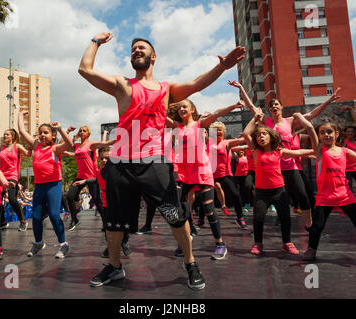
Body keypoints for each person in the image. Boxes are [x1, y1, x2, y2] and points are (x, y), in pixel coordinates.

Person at [78, 31, 245, 289]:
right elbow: (85, 70)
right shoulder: (122, 85)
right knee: (114, 222)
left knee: (175, 216)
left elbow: (198, 83)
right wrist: (95, 42)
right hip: (120, 164)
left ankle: (190, 263)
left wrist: (222, 67)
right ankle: (114, 266)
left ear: (153, 56)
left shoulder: (167, 89)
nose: (136, 50)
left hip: (153, 164)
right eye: (133, 49)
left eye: (142, 47)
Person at [229, 80, 341, 230]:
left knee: (303, 195)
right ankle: (281, 220)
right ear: (269, 110)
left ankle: (309, 225)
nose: (274, 106)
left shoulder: (291, 122)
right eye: (271, 105)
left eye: (276, 104)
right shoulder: (266, 121)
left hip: (291, 165)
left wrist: (328, 100)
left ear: (282, 107)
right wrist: (242, 87)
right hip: (274, 167)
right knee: (281, 198)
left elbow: (312, 114)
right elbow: (251, 107)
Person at [167, 99, 244, 259]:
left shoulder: (199, 124)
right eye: (179, 107)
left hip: (202, 171)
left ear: (192, 109)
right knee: (180, 210)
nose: (181, 109)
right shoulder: (177, 127)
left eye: (185, 106)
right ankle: (185, 241)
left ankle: (220, 243)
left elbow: (217, 113)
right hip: (184, 173)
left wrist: (233, 105)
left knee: (209, 210)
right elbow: (160, 115)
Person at [302, 120, 356, 265]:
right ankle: (311, 249)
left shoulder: (345, 151)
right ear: (319, 136)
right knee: (317, 227)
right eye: (322, 132)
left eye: (329, 132)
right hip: (325, 197)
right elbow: (309, 127)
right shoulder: (319, 151)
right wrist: (300, 116)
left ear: (336, 134)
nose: (326, 135)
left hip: (345, 196)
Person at [242, 112, 316, 256]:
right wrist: (255, 118)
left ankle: (287, 243)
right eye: (258, 135)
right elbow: (246, 133)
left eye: (264, 134)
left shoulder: (279, 151)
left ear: (271, 136)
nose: (261, 137)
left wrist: (313, 151)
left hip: (279, 191)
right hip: (262, 192)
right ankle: (258, 243)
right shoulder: (256, 151)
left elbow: (298, 151)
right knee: (258, 218)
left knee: (285, 218)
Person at [18, 111, 73, 258]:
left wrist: (61, 128)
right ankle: (38, 243)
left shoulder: (55, 148)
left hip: (54, 185)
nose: (42, 135)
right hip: (39, 186)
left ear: (53, 136)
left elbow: (69, 144)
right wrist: (20, 115)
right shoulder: (36, 145)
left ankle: (63, 244)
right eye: (40, 133)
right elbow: (22, 131)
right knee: (36, 217)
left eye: (46, 132)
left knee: (55, 215)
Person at [64, 127, 114, 231]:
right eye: (80, 130)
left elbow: (104, 144)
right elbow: (68, 145)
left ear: (89, 134)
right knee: (69, 196)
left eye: (84, 130)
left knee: (97, 202)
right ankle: (74, 219)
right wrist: (72, 136)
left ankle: (106, 224)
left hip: (92, 176)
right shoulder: (77, 146)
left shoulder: (91, 144)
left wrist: (118, 139)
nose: (82, 132)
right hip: (80, 176)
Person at [208, 121, 247, 229]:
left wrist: (254, 121)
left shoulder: (227, 143)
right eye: (215, 130)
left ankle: (240, 217)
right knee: (205, 196)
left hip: (225, 174)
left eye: (220, 130)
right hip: (211, 175)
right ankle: (201, 220)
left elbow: (243, 139)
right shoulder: (208, 142)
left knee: (235, 194)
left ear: (224, 132)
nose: (217, 132)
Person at [97, 147, 132, 258]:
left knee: (124, 226)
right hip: (106, 205)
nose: (103, 160)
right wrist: (84, 181)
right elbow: (96, 180)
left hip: (120, 203)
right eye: (101, 158)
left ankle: (125, 242)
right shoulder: (99, 172)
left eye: (107, 158)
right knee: (108, 229)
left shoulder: (118, 170)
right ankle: (110, 246)